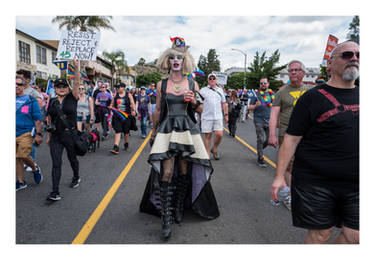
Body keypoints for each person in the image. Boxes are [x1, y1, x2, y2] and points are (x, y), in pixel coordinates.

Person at [270, 41, 359, 244]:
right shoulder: (310, 97)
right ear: (330, 63)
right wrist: (278, 177)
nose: (354, 58)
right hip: (317, 181)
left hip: (357, 182)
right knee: (321, 234)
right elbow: (291, 140)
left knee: (357, 237)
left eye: (358, 55)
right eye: (346, 54)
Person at [139, 37, 219, 240]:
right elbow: (157, 110)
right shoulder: (161, 83)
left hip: (186, 129)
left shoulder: (193, 83)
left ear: (185, 61)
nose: (176, 60)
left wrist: (193, 101)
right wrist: (154, 131)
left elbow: (201, 109)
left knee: (184, 170)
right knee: (166, 172)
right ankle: (166, 218)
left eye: (180, 58)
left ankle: (178, 207)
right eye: (173, 57)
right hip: (167, 129)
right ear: (168, 60)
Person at [268, 60, 313, 210]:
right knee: (288, 165)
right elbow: (274, 114)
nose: (293, 72)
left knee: (305, 164)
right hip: (286, 133)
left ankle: (302, 191)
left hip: (307, 134)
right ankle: (292, 196)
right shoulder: (281, 92)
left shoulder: (310, 91)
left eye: (296, 70)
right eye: (290, 70)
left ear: (303, 73)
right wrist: (272, 135)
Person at [45, 59, 80, 201]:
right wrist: (48, 137)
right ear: (54, 88)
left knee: (72, 159)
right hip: (55, 137)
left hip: (70, 135)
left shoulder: (73, 97)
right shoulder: (52, 102)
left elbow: (76, 83)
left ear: (68, 87)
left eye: (64, 86)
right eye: (58, 86)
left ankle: (76, 176)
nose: (61, 88)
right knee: (56, 164)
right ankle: (55, 192)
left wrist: (77, 69)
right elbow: (49, 119)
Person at [16, 76, 43, 191]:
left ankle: (34, 168)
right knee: (16, 158)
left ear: (23, 86)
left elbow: (37, 118)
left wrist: (38, 134)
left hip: (26, 132)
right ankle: (21, 182)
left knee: (22, 155)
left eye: (18, 84)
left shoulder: (31, 100)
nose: (16, 86)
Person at [200, 73, 228, 160]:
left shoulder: (220, 90)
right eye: (210, 79)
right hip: (206, 116)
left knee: (219, 134)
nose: (212, 80)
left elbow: (224, 103)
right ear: (208, 80)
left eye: (213, 79)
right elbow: (198, 103)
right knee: (207, 136)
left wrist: (226, 115)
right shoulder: (203, 90)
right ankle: (207, 154)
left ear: (216, 80)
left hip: (218, 116)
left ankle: (214, 149)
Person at [248, 78, 274, 167]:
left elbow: (275, 107)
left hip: (269, 120)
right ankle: (260, 158)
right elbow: (249, 107)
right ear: (259, 85)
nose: (263, 84)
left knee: (268, 140)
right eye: (261, 83)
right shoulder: (256, 95)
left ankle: (260, 150)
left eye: (264, 83)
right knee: (260, 138)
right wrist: (255, 105)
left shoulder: (272, 94)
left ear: (268, 84)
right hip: (258, 120)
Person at [109, 83, 136, 154]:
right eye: (116, 87)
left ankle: (126, 144)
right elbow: (111, 104)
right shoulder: (115, 95)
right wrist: (111, 108)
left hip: (126, 116)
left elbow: (132, 103)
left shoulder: (128, 95)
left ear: (123, 88)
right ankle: (116, 147)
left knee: (126, 132)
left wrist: (133, 110)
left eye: (119, 87)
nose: (117, 88)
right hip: (117, 116)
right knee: (118, 130)